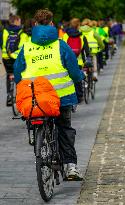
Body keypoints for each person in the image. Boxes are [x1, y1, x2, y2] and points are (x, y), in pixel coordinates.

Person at [14, 9, 84, 180]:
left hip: (35, 99)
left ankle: (39, 143)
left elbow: (17, 72)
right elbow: (74, 71)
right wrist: (79, 81)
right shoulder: (60, 45)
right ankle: (70, 167)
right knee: (64, 129)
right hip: (62, 98)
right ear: (52, 24)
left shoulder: (27, 47)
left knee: (36, 121)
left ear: (35, 24)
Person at [62, 18, 91, 104]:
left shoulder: (65, 36)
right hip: (79, 62)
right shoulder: (82, 36)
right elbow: (87, 51)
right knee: (78, 77)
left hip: (67, 62)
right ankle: (80, 96)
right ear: (78, 26)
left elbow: (62, 50)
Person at [1, 15, 28, 106]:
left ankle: (9, 95)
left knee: (9, 74)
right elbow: (24, 47)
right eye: (19, 20)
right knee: (20, 75)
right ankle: (20, 97)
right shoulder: (22, 32)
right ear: (16, 21)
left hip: (6, 58)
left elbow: (2, 45)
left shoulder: (4, 31)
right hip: (17, 58)